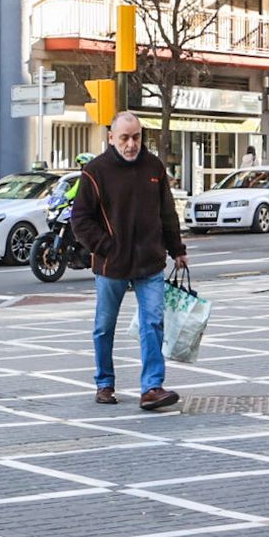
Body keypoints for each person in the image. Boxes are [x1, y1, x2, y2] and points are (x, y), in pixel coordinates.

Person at [71, 111, 188, 411]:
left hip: (150, 261)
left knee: (153, 323)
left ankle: (152, 388)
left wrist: (177, 249)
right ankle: (104, 383)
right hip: (112, 264)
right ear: (111, 137)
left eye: (136, 137)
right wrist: (106, 247)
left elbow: (167, 212)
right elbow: (80, 219)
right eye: (124, 138)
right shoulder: (95, 171)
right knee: (104, 326)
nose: (131, 144)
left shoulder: (154, 167)